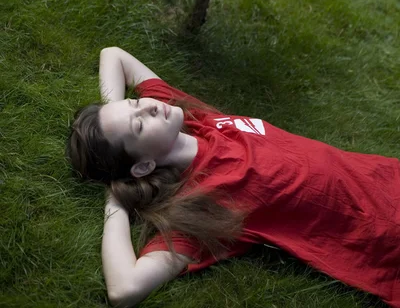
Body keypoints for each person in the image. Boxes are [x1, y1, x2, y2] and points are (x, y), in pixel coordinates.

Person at [66, 47, 400, 308]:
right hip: (386, 235)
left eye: (135, 102)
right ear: (143, 167)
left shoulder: (194, 120)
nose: (149, 107)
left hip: (384, 174)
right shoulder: (205, 202)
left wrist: (114, 120)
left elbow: (113, 55)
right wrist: (117, 196)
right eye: (139, 125)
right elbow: (123, 290)